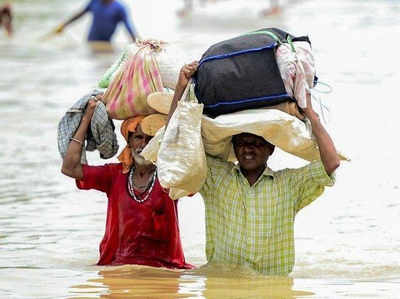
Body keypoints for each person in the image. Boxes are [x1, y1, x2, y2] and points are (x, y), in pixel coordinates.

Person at [166, 62, 341, 275]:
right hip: (223, 287)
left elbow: (330, 164)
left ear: (271, 149)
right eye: (241, 142)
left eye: (256, 143)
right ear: (233, 147)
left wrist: (310, 114)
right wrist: (181, 88)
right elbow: (175, 148)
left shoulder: (290, 184)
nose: (248, 149)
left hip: (273, 289)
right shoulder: (216, 176)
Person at [61, 96, 193, 269]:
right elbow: (70, 168)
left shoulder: (170, 176)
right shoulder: (113, 175)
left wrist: (182, 87)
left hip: (165, 270)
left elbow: (190, 161)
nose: (144, 145)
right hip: (116, 267)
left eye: (150, 139)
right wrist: (87, 117)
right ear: (129, 142)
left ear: (160, 143)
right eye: (138, 137)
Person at [56, 0, 138, 43]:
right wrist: (64, 25)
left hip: (105, 44)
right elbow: (80, 14)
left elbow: (128, 26)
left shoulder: (120, 8)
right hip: (90, 42)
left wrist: (136, 42)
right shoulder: (94, 2)